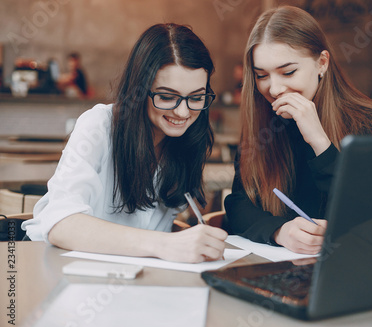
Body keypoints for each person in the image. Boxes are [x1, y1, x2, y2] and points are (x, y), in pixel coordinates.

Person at [22, 23, 227, 263]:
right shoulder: (99, 125)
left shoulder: (186, 141)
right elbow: (61, 223)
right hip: (56, 270)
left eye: (196, 97)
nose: (182, 112)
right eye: (166, 96)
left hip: (127, 279)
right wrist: (164, 244)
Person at [224, 6, 372, 255]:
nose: (274, 89)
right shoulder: (264, 119)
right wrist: (279, 231)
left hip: (350, 266)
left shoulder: (368, 122)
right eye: (262, 75)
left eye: (288, 72)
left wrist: (320, 143)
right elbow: (239, 205)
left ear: (322, 63)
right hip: (279, 267)